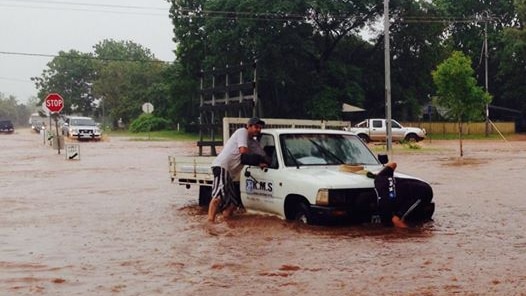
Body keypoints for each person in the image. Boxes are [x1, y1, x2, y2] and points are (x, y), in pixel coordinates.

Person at [207, 117, 269, 223]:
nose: (258, 130)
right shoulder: (241, 132)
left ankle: (226, 223)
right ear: (248, 126)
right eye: (256, 127)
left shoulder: (253, 142)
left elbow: (264, 156)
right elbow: (243, 151)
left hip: (230, 174)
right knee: (218, 197)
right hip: (221, 166)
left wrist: (265, 161)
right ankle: (210, 223)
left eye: (260, 128)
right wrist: (258, 161)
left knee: (232, 204)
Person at [374, 162, 433, 228]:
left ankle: (412, 236)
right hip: (421, 184)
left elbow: (395, 221)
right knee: (415, 219)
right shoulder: (379, 179)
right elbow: (393, 164)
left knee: (396, 220)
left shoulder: (384, 205)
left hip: (422, 194)